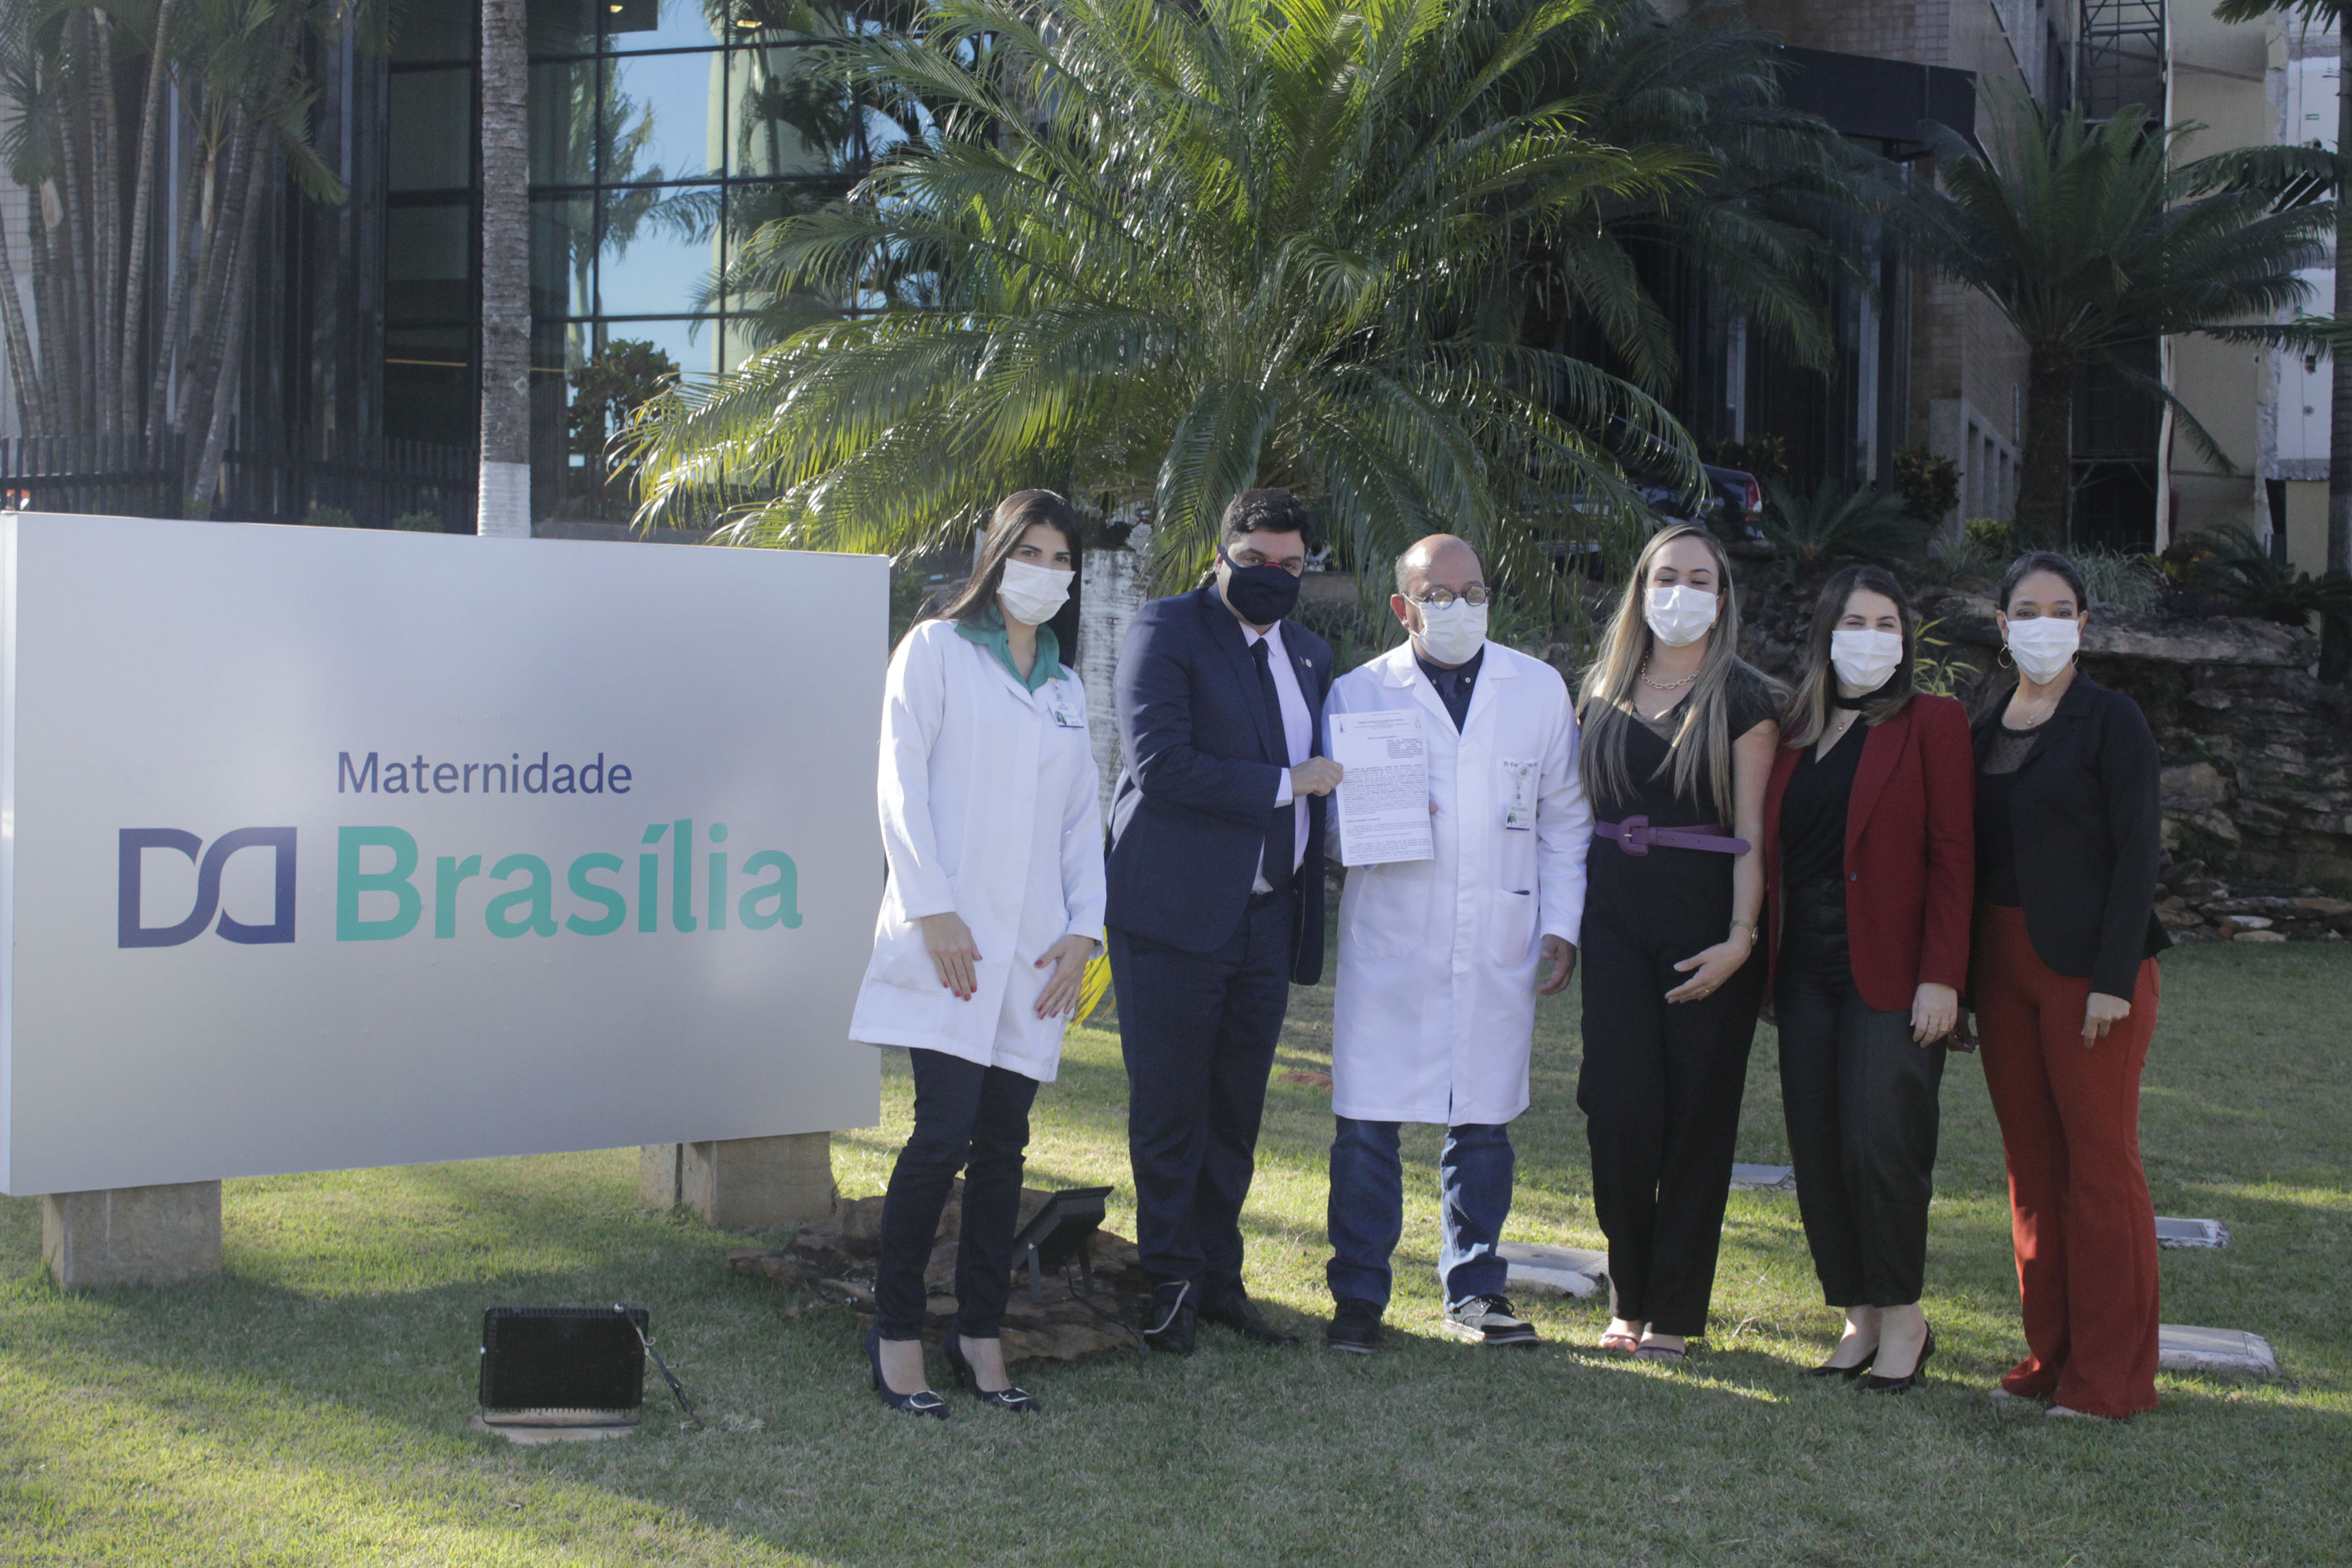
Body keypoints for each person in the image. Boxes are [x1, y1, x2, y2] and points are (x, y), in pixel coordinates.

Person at [847, 490, 1105, 1417]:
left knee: (1004, 1145)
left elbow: (1080, 819)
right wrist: (934, 908)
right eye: (1028, 551)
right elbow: (900, 782)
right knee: (941, 1135)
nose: (1045, 570)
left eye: (1060, 558)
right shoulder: (936, 650)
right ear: (994, 556)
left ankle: (980, 1330)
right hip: (948, 940)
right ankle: (895, 1331)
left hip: (1034, 951)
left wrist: (1084, 930)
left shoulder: (1067, 689)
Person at [1320, 534, 1589, 1354]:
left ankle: (1474, 1289)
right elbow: (1329, 826)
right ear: (1402, 607)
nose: (1460, 607)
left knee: (1482, 1118)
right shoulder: (1359, 692)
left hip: (1498, 931)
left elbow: (1564, 816)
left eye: (1473, 592)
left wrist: (1560, 922)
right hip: (1391, 934)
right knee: (1367, 1122)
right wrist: (1378, 816)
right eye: (1438, 595)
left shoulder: (1535, 688)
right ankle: (1358, 1293)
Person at [1106, 487, 1337, 1353]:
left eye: (1291, 564)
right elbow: (1160, 763)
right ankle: (1167, 1280)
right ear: (1220, 554)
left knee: (1235, 1111)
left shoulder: (1309, 653)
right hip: (1172, 914)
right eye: (1256, 560)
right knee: (1171, 1108)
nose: (1273, 575)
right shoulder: (1166, 628)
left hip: (1268, 919)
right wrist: (1288, 783)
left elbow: (1333, 774)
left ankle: (1218, 1280)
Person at [1759, 565, 1974, 1393]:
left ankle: (1904, 1316)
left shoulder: (1932, 722)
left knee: (1880, 1141)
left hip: (1892, 971)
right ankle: (1857, 1312)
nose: (1872, 638)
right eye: (1856, 622)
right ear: (1826, 633)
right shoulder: (1792, 729)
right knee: (1817, 1145)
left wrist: (1942, 976)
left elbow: (1954, 855)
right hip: (1804, 971)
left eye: (1888, 625)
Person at [1967, 550, 2169, 1419]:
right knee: (2031, 1165)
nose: (2042, 624)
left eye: (2060, 610)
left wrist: (2113, 979)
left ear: (2082, 625)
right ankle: (2049, 1356)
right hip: (2000, 969)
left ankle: (2110, 1378)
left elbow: (2137, 854)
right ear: (2001, 624)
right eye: (2026, 609)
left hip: (2092, 972)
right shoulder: (1982, 725)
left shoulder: (2111, 720)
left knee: (2098, 1164)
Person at [1574, 522, 1781, 1365]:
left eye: (1699, 579)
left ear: (1721, 599)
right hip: (1613, 929)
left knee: (1697, 1119)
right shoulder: (1599, 691)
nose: (1680, 593)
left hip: (1707, 933)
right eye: (1665, 576)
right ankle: (1627, 1294)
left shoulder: (1745, 698)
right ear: (1639, 588)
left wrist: (1740, 938)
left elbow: (1753, 834)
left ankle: (1674, 1311)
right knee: (1617, 1112)